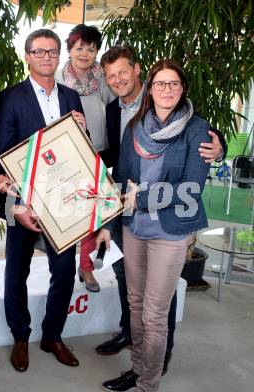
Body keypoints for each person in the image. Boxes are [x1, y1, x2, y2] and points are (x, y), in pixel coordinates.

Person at [94, 46, 226, 385]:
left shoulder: (197, 130)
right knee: (135, 306)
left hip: (171, 231)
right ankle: (138, 368)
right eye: (160, 84)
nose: (166, 90)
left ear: (183, 89)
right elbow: (121, 182)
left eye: (174, 84)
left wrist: (139, 198)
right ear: (150, 88)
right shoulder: (135, 127)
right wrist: (110, 223)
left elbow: (190, 188)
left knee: (154, 313)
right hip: (134, 229)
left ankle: (148, 381)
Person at [0, 29, 86, 372]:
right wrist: (16, 204)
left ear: (59, 56)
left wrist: (83, 129)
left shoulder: (71, 97)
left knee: (64, 270)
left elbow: (80, 151)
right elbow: (2, 153)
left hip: (63, 201)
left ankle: (52, 335)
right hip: (23, 201)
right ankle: (21, 336)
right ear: (27, 56)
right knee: (17, 271)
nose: (46, 57)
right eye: (39, 52)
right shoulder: (11, 97)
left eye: (52, 52)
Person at [56, 24, 115, 292]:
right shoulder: (56, 76)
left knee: (96, 212)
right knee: (71, 212)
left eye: (91, 48)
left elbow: (118, 105)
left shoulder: (102, 77)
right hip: (67, 153)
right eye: (79, 47)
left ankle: (86, 266)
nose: (84, 53)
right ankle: (63, 269)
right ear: (70, 49)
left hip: (98, 151)